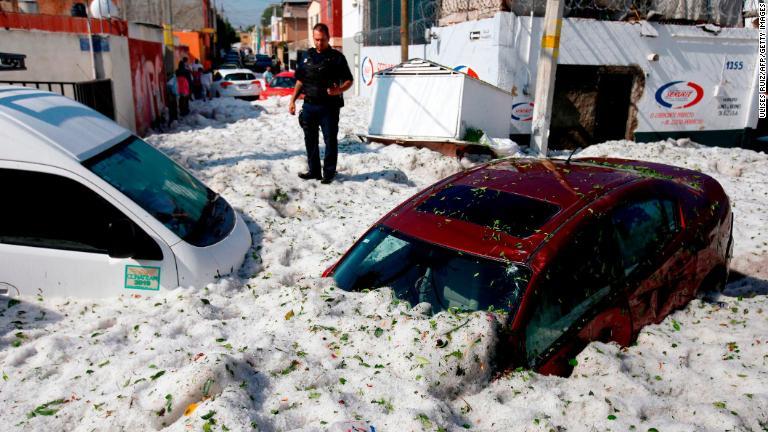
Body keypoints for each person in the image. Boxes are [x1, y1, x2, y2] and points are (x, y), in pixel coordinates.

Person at [290, 23, 353, 184]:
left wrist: (338, 90)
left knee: (330, 140)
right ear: (313, 38)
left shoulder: (337, 58)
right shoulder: (306, 56)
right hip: (309, 105)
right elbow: (300, 81)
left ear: (328, 38)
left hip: (329, 107)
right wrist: (292, 100)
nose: (319, 43)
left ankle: (329, 173)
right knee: (310, 139)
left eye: (322, 40)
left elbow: (349, 80)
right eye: (316, 40)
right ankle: (314, 171)